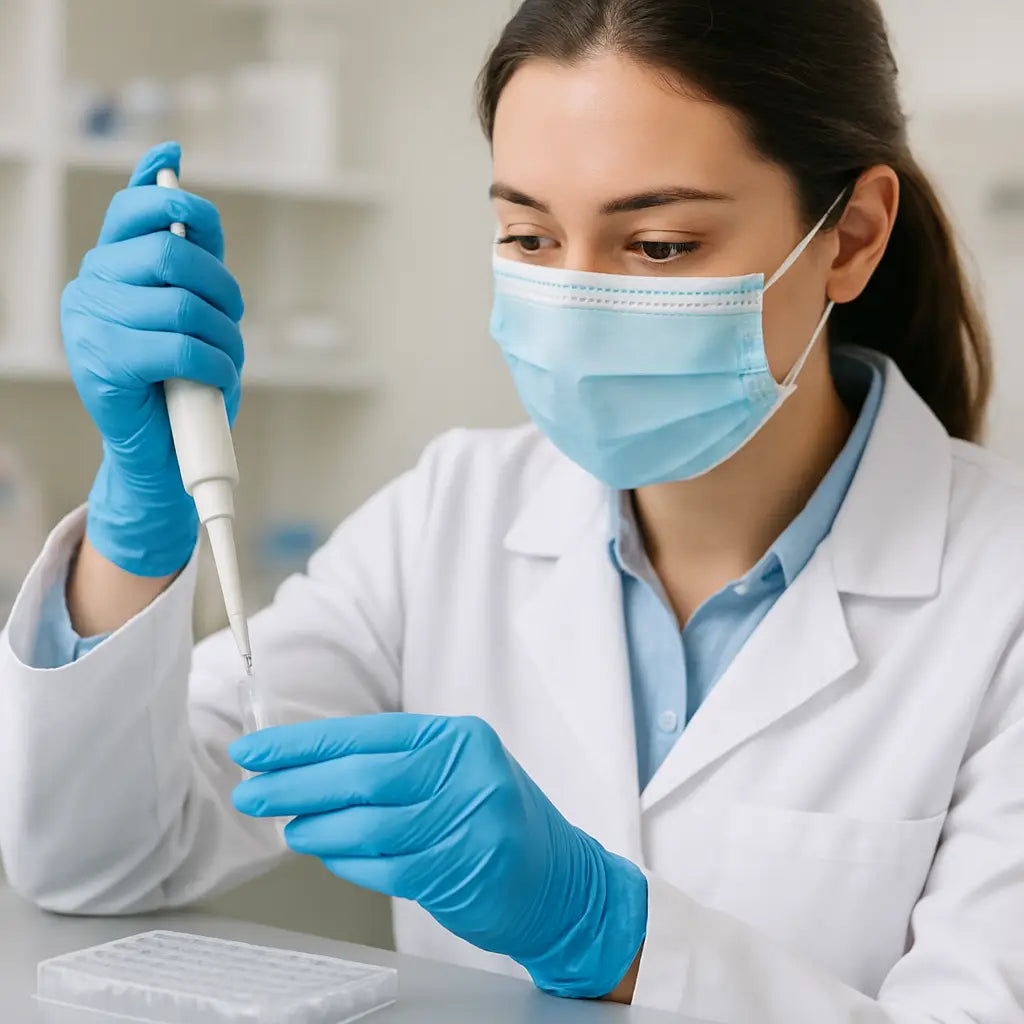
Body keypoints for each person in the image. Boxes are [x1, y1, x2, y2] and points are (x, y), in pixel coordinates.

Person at [1, 0, 1022, 1019]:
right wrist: (134, 525)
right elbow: (98, 862)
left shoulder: (999, 590)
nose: (575, 305)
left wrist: (606, 931)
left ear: (850, 237)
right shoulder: (451, 513)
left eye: (659, 245)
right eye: (530, 235)